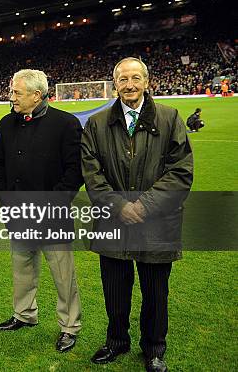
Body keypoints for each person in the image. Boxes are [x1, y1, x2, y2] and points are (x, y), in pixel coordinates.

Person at [81, 57, 193, 372]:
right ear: (114, 84)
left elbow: (180, 171)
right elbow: (92, 173)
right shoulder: (97, 123)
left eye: (135, 78)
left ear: (147, 82)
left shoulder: (170, 118)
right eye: (123, 79)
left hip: (157, 222)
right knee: (115, 289)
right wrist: (119, 206)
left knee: (156, 292)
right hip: (113, 220)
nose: (129, 85)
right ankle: (116, 341)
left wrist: (143, 205)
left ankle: (154, 349)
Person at [0, 70, 83, 353]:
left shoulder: (65, 124)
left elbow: (75, 171)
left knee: (62, 273)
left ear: (37, 95)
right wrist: (4, 197)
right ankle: (24, 314)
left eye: (17, 93)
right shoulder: (7, 123)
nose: (12, 97)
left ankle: (69, 326)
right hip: (18, 210)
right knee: (22, 267)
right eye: (12, 92)